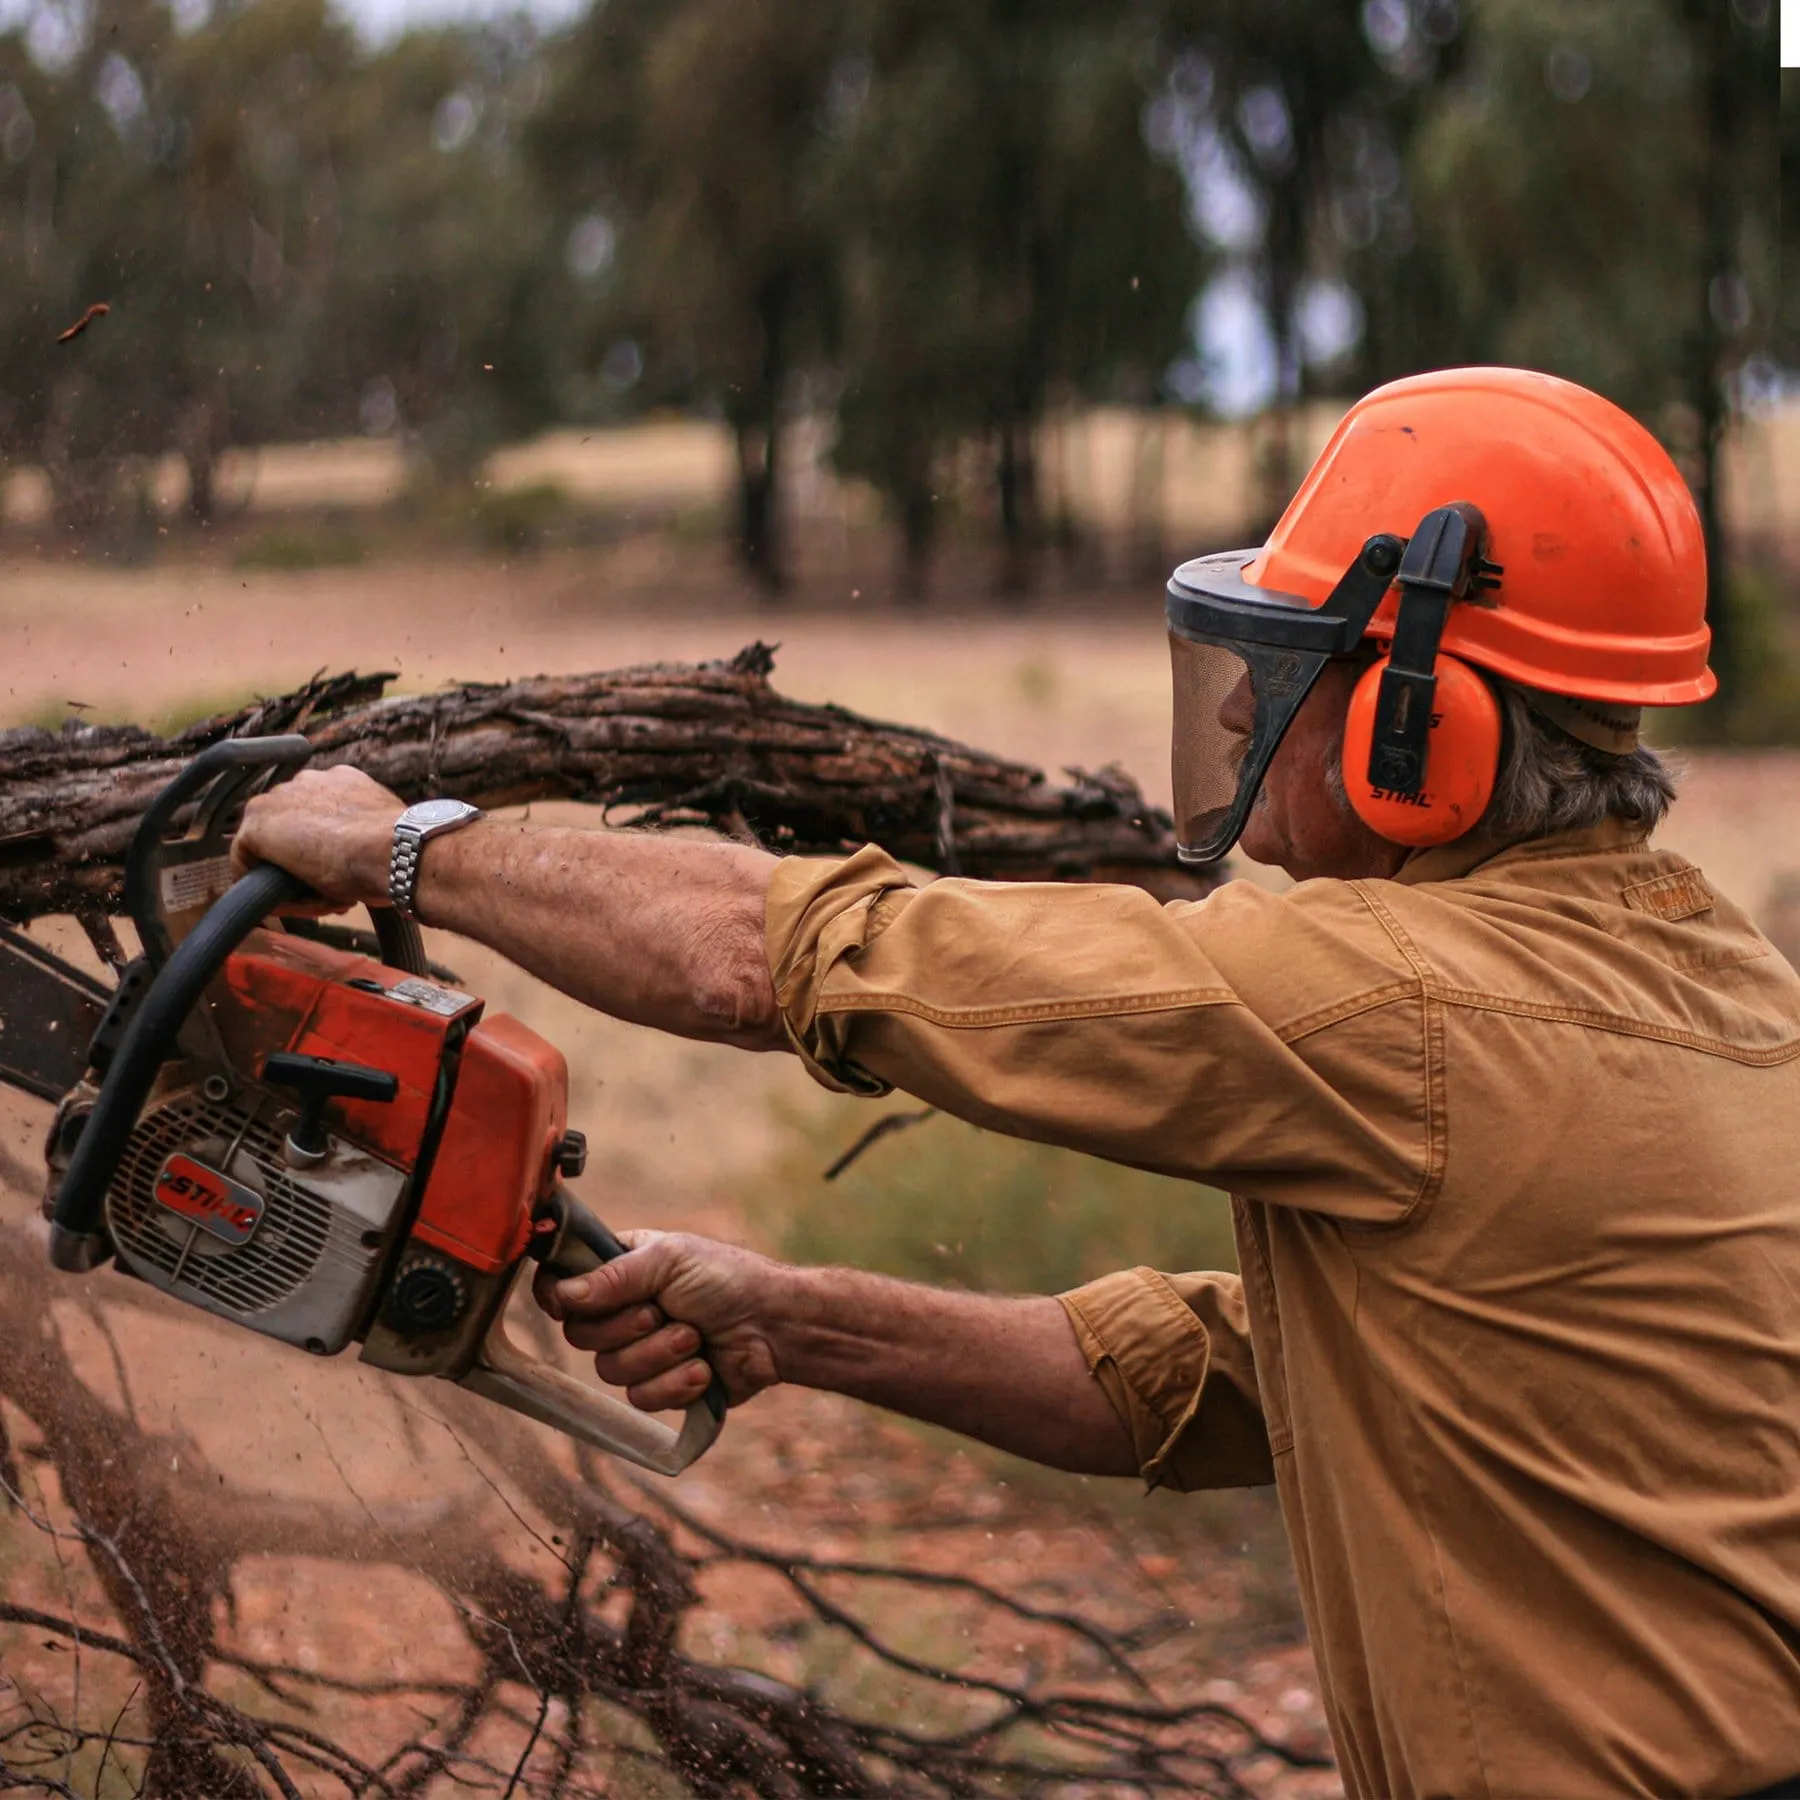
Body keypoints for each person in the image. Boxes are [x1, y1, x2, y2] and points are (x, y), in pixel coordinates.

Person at [235, 367, 1800, 1800]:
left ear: (1424, 730)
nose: (1246, 711)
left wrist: (406, 843)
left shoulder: (1401, 1005)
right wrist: (795, 1320)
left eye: (1291, 667)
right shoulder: (1721, 979)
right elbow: (1229, 1381)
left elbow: (772, 954)